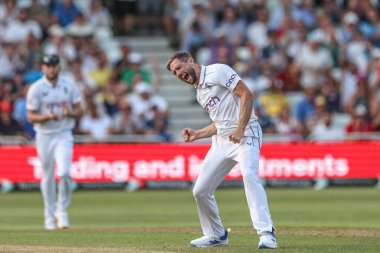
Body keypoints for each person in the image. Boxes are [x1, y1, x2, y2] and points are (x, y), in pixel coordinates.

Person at [166, 51, 277, 249]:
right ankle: (216, 235)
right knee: (200, 190)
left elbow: (246, 94)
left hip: (247, 134)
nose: (178, 74)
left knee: (249, 176)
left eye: (179, 68)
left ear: (190, 60)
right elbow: (221, 123)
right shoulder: (200, 92)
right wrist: (198, 134)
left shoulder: (217, 71)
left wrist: (241, 128)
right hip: (222, 141)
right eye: (175, 73)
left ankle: (266, 233)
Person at [26, 54, 83, 230]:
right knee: (48, 176)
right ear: (43, 68)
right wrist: (46, 117)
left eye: (54, 65)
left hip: (64, 133)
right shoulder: (36, 88)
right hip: (44, 135)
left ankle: (62, 211)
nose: (51, 68)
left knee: (65, 173)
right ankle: (49, 217)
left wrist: (69, 113)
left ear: (59, 67)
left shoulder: (69, 85)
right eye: (48, 65)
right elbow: (31, 116)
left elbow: (79, 110)